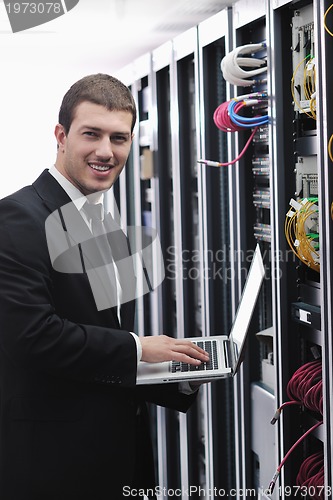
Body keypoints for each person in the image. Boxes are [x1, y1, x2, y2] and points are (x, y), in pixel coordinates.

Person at [0, 74, 209, 500]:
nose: (105, 152)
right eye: (91, 134)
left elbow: (101, 340)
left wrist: (178, 373)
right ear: (61, 135)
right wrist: (139, 349)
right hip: (52, 466)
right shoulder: (17, 218)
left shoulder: (102, 216)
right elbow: (32, 337)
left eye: (119, 138)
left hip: (112, 455)